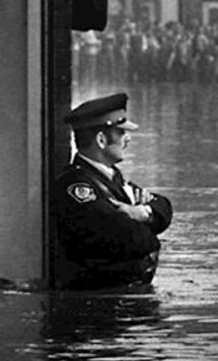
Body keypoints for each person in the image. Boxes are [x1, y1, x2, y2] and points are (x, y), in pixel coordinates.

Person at [53, 92, 172, 289]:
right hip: (98, 304)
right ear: (101, 140)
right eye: (121, 133)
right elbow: (131, 238)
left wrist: (141, 212)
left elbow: (164, 206)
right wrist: (148, 226)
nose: (128, 140)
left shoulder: (114, 179)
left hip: (127, 294)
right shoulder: (76, 186)